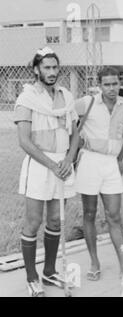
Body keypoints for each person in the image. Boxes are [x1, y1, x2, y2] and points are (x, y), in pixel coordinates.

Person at [14, 47, 79, 296]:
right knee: (33, 222)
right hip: (40, 165)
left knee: (55, 219)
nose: (52, 72)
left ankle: (49, 272)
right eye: (47, 68)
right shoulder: (27, 98)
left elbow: (75, 134)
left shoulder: (66, 96)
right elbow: (24, 140)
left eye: (55, 67)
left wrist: (69, 159)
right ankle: (32, 278)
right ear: (37, 69)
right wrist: (52, 165)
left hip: (63, 163)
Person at [74, 66, 123, 280]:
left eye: (115, 83)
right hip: (90, 161)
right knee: (89, 213)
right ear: (99, 84)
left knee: (114, 215)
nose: (112, 88)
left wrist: (121, 157)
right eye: (107, 84)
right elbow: (68, 122)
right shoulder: (87, 102)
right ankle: (94, 261)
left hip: (112, 163)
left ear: (119, 83)